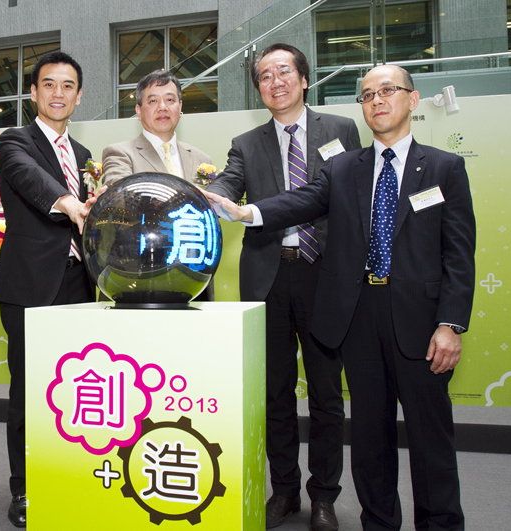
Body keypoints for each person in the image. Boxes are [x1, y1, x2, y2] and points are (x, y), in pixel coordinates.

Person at [206, 64, 475, 531]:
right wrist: (246, 211)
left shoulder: (444, 167)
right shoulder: (345, 168)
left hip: (422, 321)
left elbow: (459, 254)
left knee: (431, 440)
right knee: (370, 439)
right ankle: (379, 523)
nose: (377, 101)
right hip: (359, 318)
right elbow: (301, 201)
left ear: (412, 100)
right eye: (368, 94)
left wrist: (450, 323)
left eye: (388, 91)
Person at [206, 43, 360, 530]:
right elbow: (230, 184)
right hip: (268, 278)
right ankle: (285, 491)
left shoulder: (341, 130)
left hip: (324, 274)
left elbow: (339, 194)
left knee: (325, 394)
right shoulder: (246, 143)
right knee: (274, 393)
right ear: (259, 89)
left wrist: (252, 211)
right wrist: (214, 198)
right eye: (265, 75)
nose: (275, 81)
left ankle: (324, 496)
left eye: (284, 71)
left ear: (304, 78)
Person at [0, 50, 95, 528]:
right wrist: (69, 202)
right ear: (33, 93)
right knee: (29, 392)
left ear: (78, 95)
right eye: (48, 84)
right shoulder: (15, 141)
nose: (57, 93)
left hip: (80, 283)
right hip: (30, 286)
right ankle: (25, 489)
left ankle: (66, 474)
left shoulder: (87, 156)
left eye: (67, 85)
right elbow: (29, 179)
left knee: (75, 391)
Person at [102, 68, 215, 300]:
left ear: (180, 107)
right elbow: (121, 193)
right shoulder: (120, 153)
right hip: (136, 277)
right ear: (138, 110)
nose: (162, 107)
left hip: (193, 277)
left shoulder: (202, 159)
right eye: (153, 101)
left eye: (170, 100)